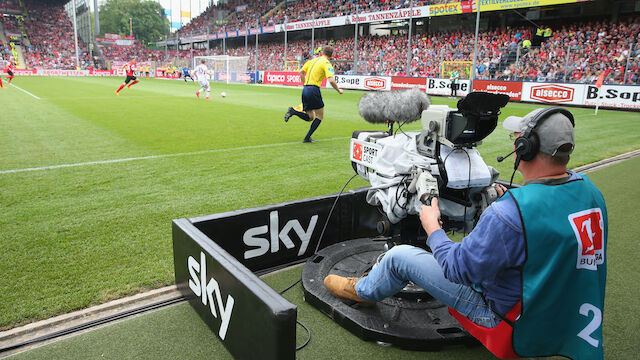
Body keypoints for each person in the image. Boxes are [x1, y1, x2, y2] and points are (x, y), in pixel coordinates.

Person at [324, 107, 607, 359]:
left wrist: (432, 224)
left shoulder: (510, 214)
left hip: (507, 321)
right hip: (560, 311)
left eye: (516, 138)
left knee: (400, 256)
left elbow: (456, 269)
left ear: (525, 148)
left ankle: (361, 291)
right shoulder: (591, 192)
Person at [283, 45, 343, 143]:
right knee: (320, 116)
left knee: (310, 117)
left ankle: (293, 111)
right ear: (331, 55)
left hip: (306, 89)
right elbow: (331, 80)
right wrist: (338, 90)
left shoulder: (312, 61)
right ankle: (307, 138)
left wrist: (305, 84)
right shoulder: (326, 63)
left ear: (322, 52)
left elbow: (301, 72)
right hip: (314, 89)